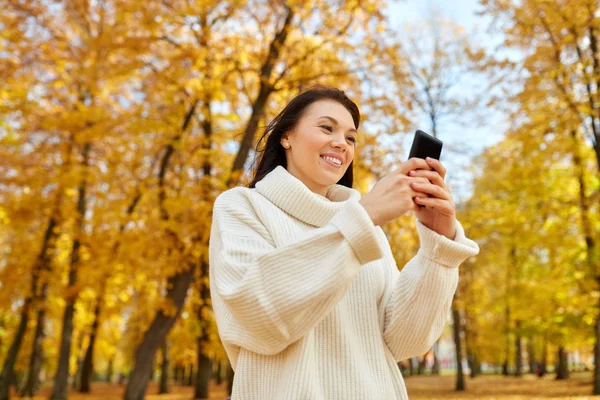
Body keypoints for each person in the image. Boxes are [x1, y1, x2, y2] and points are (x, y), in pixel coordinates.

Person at [209, 85, 480, 399]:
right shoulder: (241, 207)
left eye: (351, 138)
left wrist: (440, 247)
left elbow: (405, 341)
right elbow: (260, 320)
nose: (341, 143)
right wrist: (362, 219)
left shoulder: (367, 229)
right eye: (327, 128)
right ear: (287, 136)